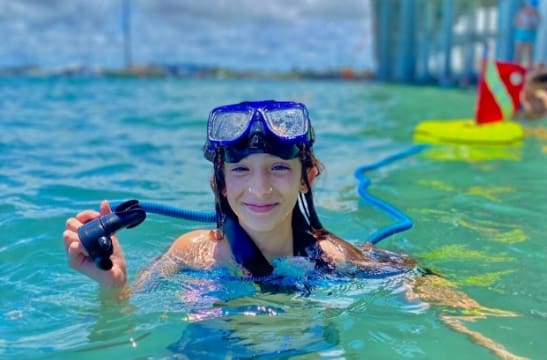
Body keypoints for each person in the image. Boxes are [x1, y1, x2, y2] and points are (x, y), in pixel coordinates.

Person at [63, 100, 523, 359]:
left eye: (279, 168)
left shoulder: (332, 259)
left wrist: (486, 335)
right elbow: (120, 325)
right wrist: (113, 286)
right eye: (240, 169)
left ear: (308, 176)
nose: (258, 188)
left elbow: (412, 277)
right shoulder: (191, 253)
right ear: (220, 182)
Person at [513, 0, 541, 68]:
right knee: (518, 51)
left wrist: (532, 25)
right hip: (521, 32)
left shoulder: (536, 14)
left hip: (530, 33)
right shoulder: (521, 12)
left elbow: (539, 22)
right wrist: (523, 24)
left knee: (530, 52)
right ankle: (516, 66)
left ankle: (529, 67)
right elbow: (516, 22)